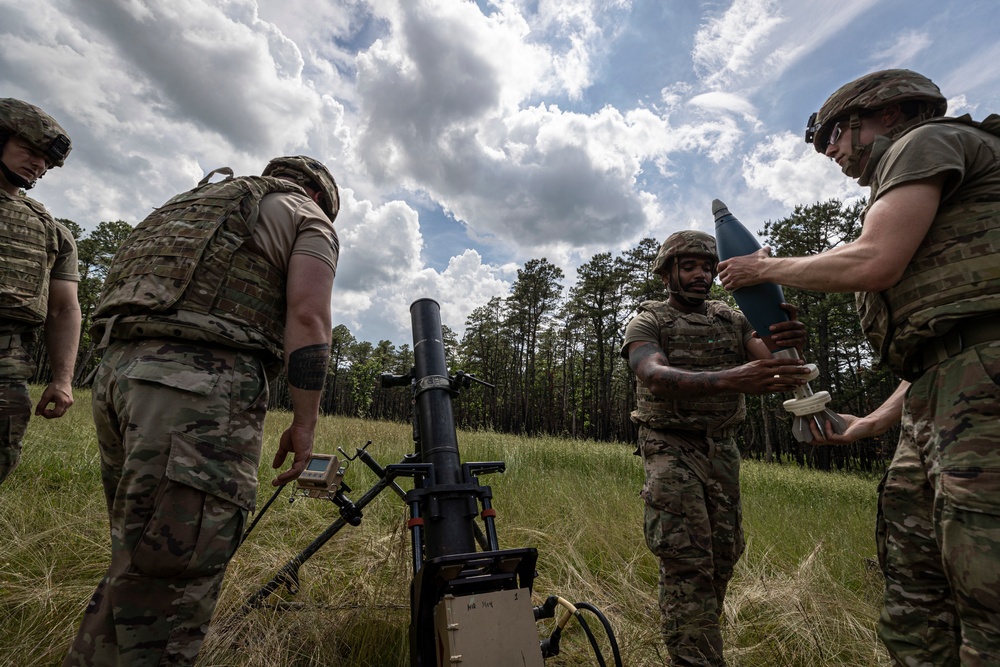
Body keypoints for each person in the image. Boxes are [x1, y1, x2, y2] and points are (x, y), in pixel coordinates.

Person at [717, 69, 1000, 665]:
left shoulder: (924, 143)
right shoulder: (917, 173)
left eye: (834, 137)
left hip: (981, 388)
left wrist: (764, 269)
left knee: (987, 584)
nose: (831, 153)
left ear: (888, 113)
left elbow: (875, 261)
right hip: (942, 391)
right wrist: (873, 422)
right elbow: (941, 345)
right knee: (915, 586)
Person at [64, 156, 341, 665]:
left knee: (139, 561)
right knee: (175, 579)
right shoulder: (307, 215)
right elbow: (308, 316)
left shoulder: (198, 202)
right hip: (197, 391)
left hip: (117, 377)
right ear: (323, 197)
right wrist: (305, 423)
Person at [622, 230, 809, 666]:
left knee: (723, 556)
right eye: (688, 267)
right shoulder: (647, 322)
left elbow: (781, 364)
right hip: (671, 447)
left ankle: (699, 645)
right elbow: (652, 374)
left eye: (707, 267)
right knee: (686, 562)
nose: (700, 275)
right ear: (667, 273)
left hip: (722, 450)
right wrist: (730, 379)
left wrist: (785, 337)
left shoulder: (732, 319)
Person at [0, 98, 81, 485]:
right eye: (29, 151)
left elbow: (64, 310)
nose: (38, 165)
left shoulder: (53, 231)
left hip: (8, 363)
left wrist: (63, 379)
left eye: (45, 161)